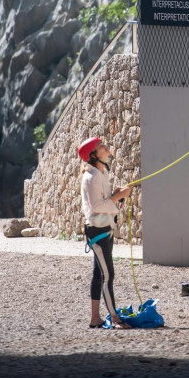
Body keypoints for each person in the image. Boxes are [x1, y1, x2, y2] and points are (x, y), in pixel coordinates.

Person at [79, 136, 131, 329]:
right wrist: (118, 197)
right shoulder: (91, 177)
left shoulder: (100, 173)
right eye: (101, 146)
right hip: (98, 232)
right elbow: (96, 207)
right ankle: (115, 318)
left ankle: (95, 319)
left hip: (103, 230)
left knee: (99, 274)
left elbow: (103, 201)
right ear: (93, 155)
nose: (105, 147)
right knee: (108, 275)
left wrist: (115, 195)